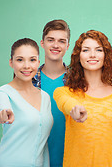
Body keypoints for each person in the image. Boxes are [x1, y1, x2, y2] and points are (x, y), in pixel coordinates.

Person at [53, 30, 112, 167]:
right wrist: (75, 108)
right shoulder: (64, 93)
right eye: (86, 50)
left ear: (106, 56)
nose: (92, 55)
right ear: (78, 56)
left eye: (98, 50)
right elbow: (67, 104)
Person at [0, 38, 53, 167]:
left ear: (38, 62)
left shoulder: (45, 97)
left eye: (32, 60)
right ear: (11, 62)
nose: (26, 66)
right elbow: (3, 107)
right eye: (20, 60)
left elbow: (43, 144)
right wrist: (4, 112)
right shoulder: (3, 93)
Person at [32, 19, 70, 167]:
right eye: (50, 40)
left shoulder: (77, 80)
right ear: (42, 43)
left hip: (71, 159)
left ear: (67, 45)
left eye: (61, 41)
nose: (55, 45)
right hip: (36, 160)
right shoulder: (29, 78)